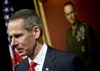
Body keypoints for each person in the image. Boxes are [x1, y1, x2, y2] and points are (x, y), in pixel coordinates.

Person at [7, 9, 87, 71]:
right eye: (11, 37)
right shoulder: (19, 69)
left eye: (18, 36)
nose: (12, 43)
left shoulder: (68, 63)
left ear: (36, 32)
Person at [63, 1, 100, 71]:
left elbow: (94, 54)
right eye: (68, 14)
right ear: (66, 16)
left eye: (71, 12)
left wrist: (83, 69)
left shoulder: (87, 28)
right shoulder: (68, 33)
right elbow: (70, 55)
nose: (70, 16)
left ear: (75, 12)